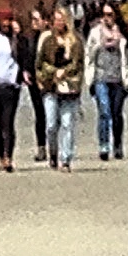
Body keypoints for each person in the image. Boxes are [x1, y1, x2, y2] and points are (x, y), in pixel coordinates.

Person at [86, 6, 128, 162]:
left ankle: (118, 144)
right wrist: (100, 44)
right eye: (104, 15)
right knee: (104, 111)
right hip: (100, 77)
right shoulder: (95, 33)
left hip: (119, 79)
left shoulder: (124, 34)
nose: (106, 18)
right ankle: (104, 145)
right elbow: (88, 54)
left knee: (116, 113)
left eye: (109, 14)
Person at [37, 11, 84, 170]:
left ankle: (66, 159)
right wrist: (51, 72)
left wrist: (65, 72)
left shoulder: (75, 41)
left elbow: (78, 64)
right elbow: (40, 62)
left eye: (62, 20)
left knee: (67, 123)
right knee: (51, 125)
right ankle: (53, 153)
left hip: (69, 87)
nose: (59, 23)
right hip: (50, 86)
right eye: (56, 20)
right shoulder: (47, 41)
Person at [0, 12, 28, 172]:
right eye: (4, 20)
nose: (6, 23)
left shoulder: (16, 40)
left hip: (11, 86)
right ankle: (1, 156)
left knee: (8, 122)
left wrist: (23, 74)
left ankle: (9, 157)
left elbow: (24, 56)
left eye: (9, 20)